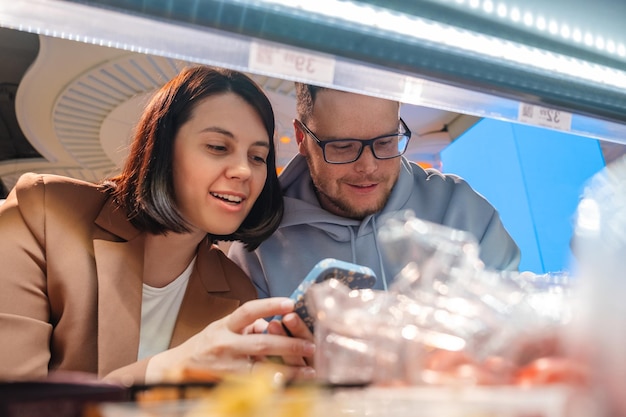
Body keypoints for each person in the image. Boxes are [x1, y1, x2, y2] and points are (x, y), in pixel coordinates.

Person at [0, 66, 315, 384]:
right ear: (162, 146)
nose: (244, 171)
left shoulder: (238, 291)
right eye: (218, 147)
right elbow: (14, 400)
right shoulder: (44, 213)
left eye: (258, 157)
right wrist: (167, 368)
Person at [229, 84, 521, 297]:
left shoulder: (463, 211)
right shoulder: (259, 251)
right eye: (343, 147)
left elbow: (514, 333)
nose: (368, 167)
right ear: (302, 138)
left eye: (385, 143)